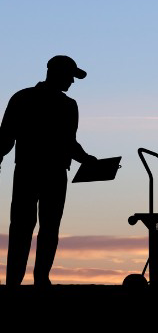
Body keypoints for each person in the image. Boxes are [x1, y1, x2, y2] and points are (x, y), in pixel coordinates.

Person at [0, 55, 98, 286]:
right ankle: (22, 279)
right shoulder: (30, 99)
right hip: (33, 171)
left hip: (44, 172)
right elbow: (6, 137)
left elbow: (68, 142)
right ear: (57, 73)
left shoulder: (54, 103)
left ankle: (36, 278)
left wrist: (86, 159)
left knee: (44, 226)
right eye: (70, 77)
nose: (72, 82)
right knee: (30, 226)